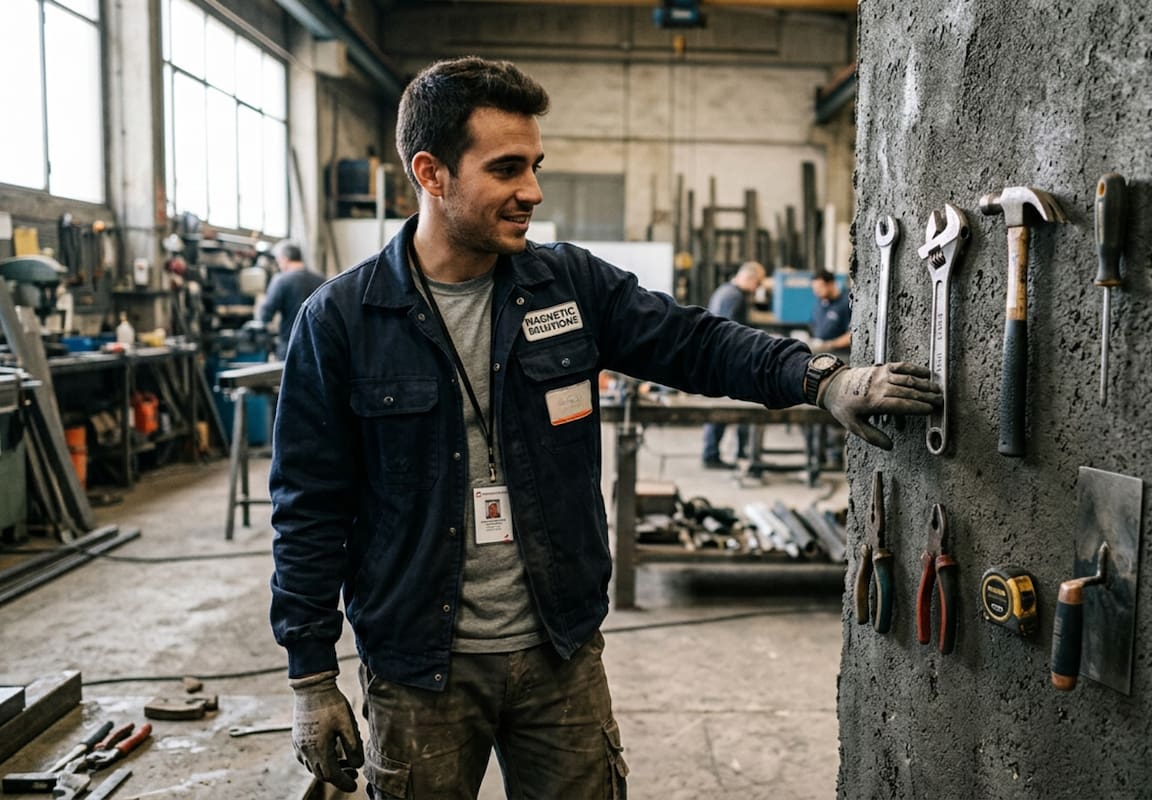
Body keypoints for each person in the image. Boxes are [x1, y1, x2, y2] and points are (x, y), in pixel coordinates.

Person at [268, 56, 940, 800]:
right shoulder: (340, 322)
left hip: (560, 652)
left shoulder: (566, 285)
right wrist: (311, 677)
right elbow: (309, 507)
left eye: (536, 164)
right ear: (432, 173)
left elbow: (696, 343)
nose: (533, 190)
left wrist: (822, 379)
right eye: (507, 168)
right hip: (418, 667)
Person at [701, 260, 765, 469]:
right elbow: (732, 333)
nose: (757, 289)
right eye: (758, 283)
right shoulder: (735, 297)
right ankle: (715, 454)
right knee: (729, 408)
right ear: (750, 278)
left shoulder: (724, 291)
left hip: (718, 359)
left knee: (720, 407)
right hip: (727, 361)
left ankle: (718, 452)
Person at [258, 239, 324, 360]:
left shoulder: (281, 280)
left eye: (278, 261)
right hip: (318, 346)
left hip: (290, 345)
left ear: (284, 259)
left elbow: (265, 314)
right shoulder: (321, 280)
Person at [809, 270, 852, 355]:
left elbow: (852, 335)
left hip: (840, 354)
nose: (816, 292)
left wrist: (829, 345)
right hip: (820, 351)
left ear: (831, 284)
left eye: (820, 287)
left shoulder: (847, 303)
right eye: (814, 289)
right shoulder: (820, 303)